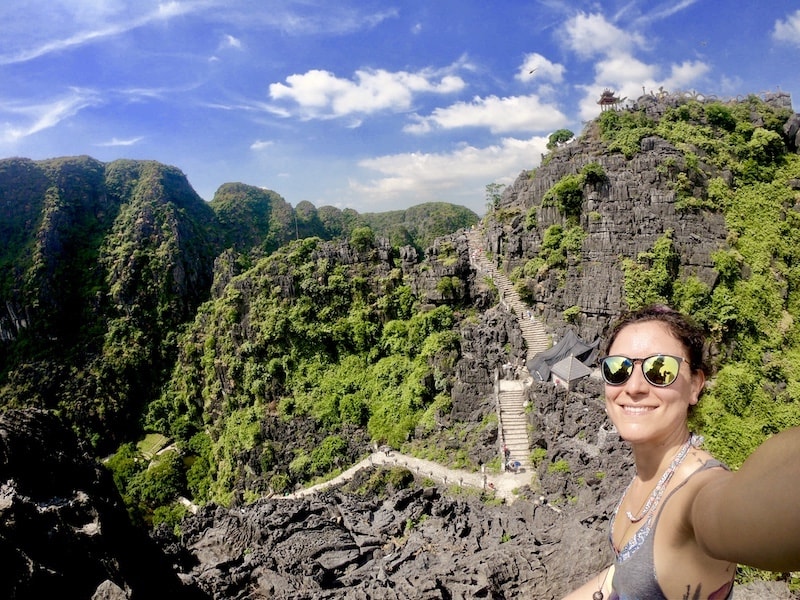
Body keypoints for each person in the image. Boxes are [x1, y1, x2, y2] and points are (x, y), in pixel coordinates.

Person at [563, 304, 800, 600]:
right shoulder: (649, 477)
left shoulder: (697, 494)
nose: (634, 386)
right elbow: (619, 576)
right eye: (618, 369)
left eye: (660, 369)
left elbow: (772, 510)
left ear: (695, 386)